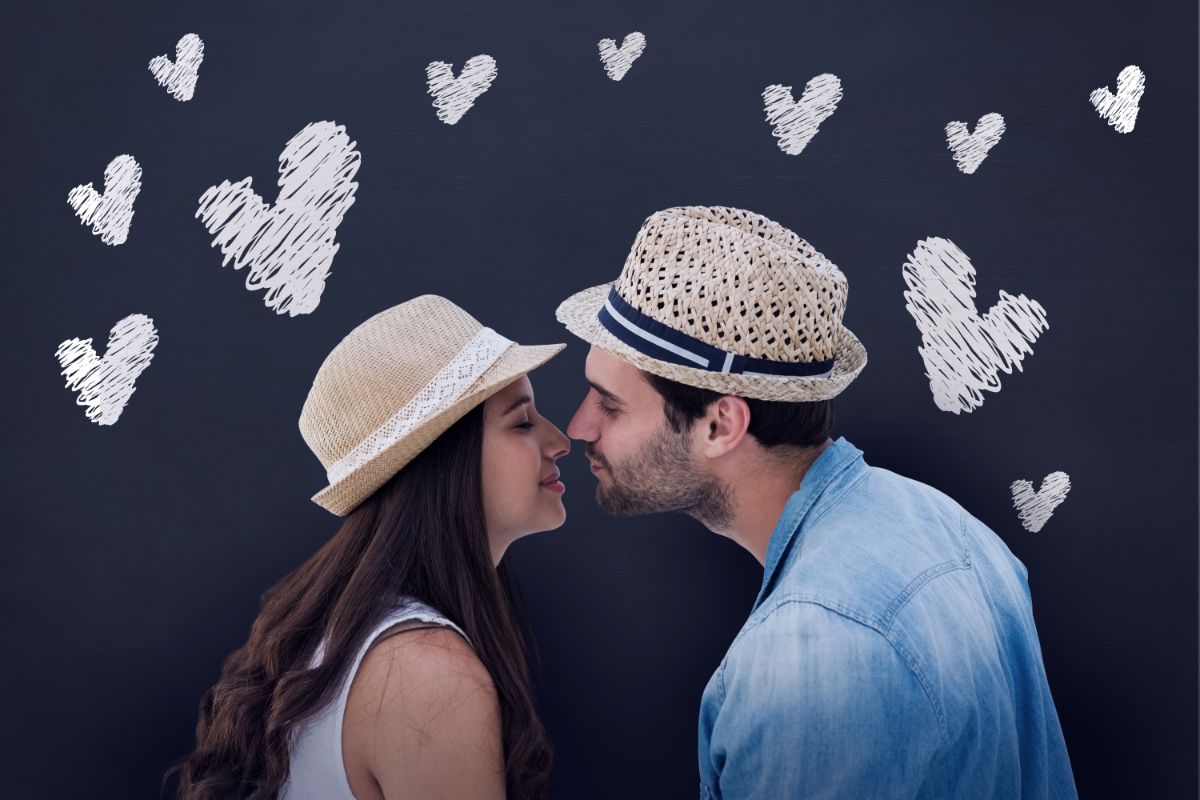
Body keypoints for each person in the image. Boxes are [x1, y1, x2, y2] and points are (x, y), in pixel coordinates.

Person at [554, 205, 1079, 799]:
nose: (578, 427)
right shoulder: (948, 525)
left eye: (610, 404)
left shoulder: (809, 658)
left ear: (720, 424)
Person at [163, 295, 570, 800]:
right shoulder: (425, 672)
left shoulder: (351, 635)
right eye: (522, 422)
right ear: (442, 459)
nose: (560, 441)